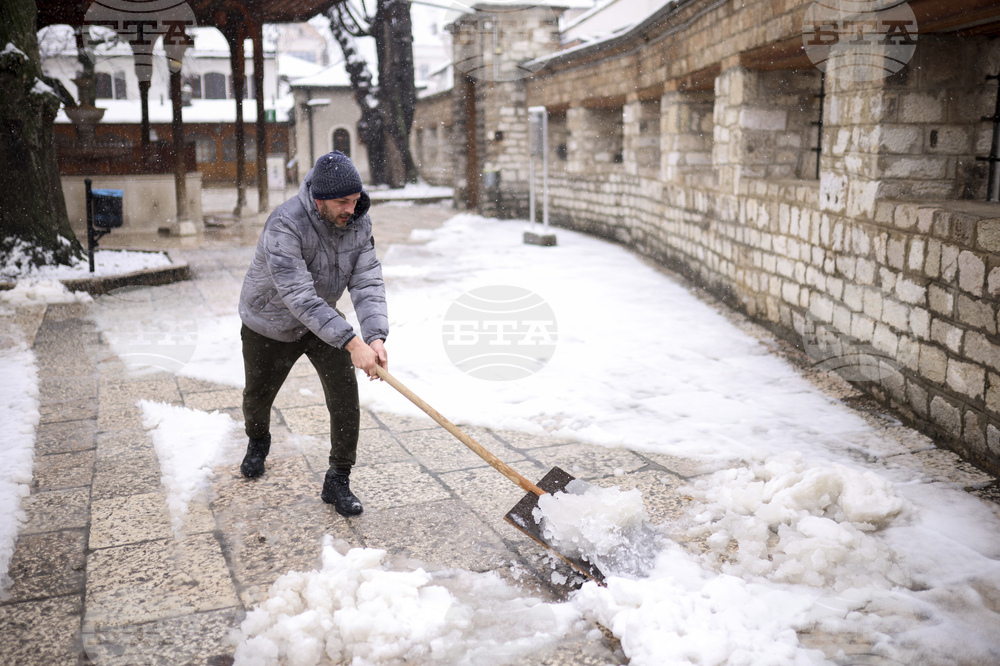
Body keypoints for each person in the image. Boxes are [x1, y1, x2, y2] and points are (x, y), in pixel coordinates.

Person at [237, 151, 388, 517]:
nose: (350, 210)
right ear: (318, 198)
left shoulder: (358, 222)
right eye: (342, 202)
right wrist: (352, 342)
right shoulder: (284, 224)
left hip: (323, 321)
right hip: (270, 321)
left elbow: (367, 280)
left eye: (355, 201)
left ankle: (338, 477)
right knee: (258, 397)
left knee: (345, 398)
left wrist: (374, 337)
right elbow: (298, 296)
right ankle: (258, 440)